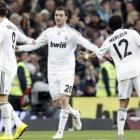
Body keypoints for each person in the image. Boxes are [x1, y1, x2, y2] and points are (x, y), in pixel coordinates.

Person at [16, 6, 100, 139]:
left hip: (66, 70)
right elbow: (35, 44)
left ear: (66, 17)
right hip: (52, 72)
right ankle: (75, 113)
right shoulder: (49, 32)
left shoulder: (72, 33)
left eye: (61, 15)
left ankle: (60, 132)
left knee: (64, 99)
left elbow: (87, 43)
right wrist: (19, 48)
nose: (58, 17)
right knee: (57, 103)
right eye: (56, 15)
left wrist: (100, 51)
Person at [78, 15, 140, 139]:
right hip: (137, 70)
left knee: (123, 102)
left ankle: (120, 133)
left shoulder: (109, 40)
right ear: (122, 24)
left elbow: (97, 55)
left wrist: (85, 57)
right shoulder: (132, 33)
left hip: (123, 73)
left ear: (110, 28)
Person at [0, 2, 35, 139]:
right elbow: (25, 39)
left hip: (2, 66)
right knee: (3, 99)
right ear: (7, 12)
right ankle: (16, 126)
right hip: (10, 65)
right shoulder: (12, 25)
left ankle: (9, 132)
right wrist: (32, 40)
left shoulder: (1, 26)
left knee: (2, 99)